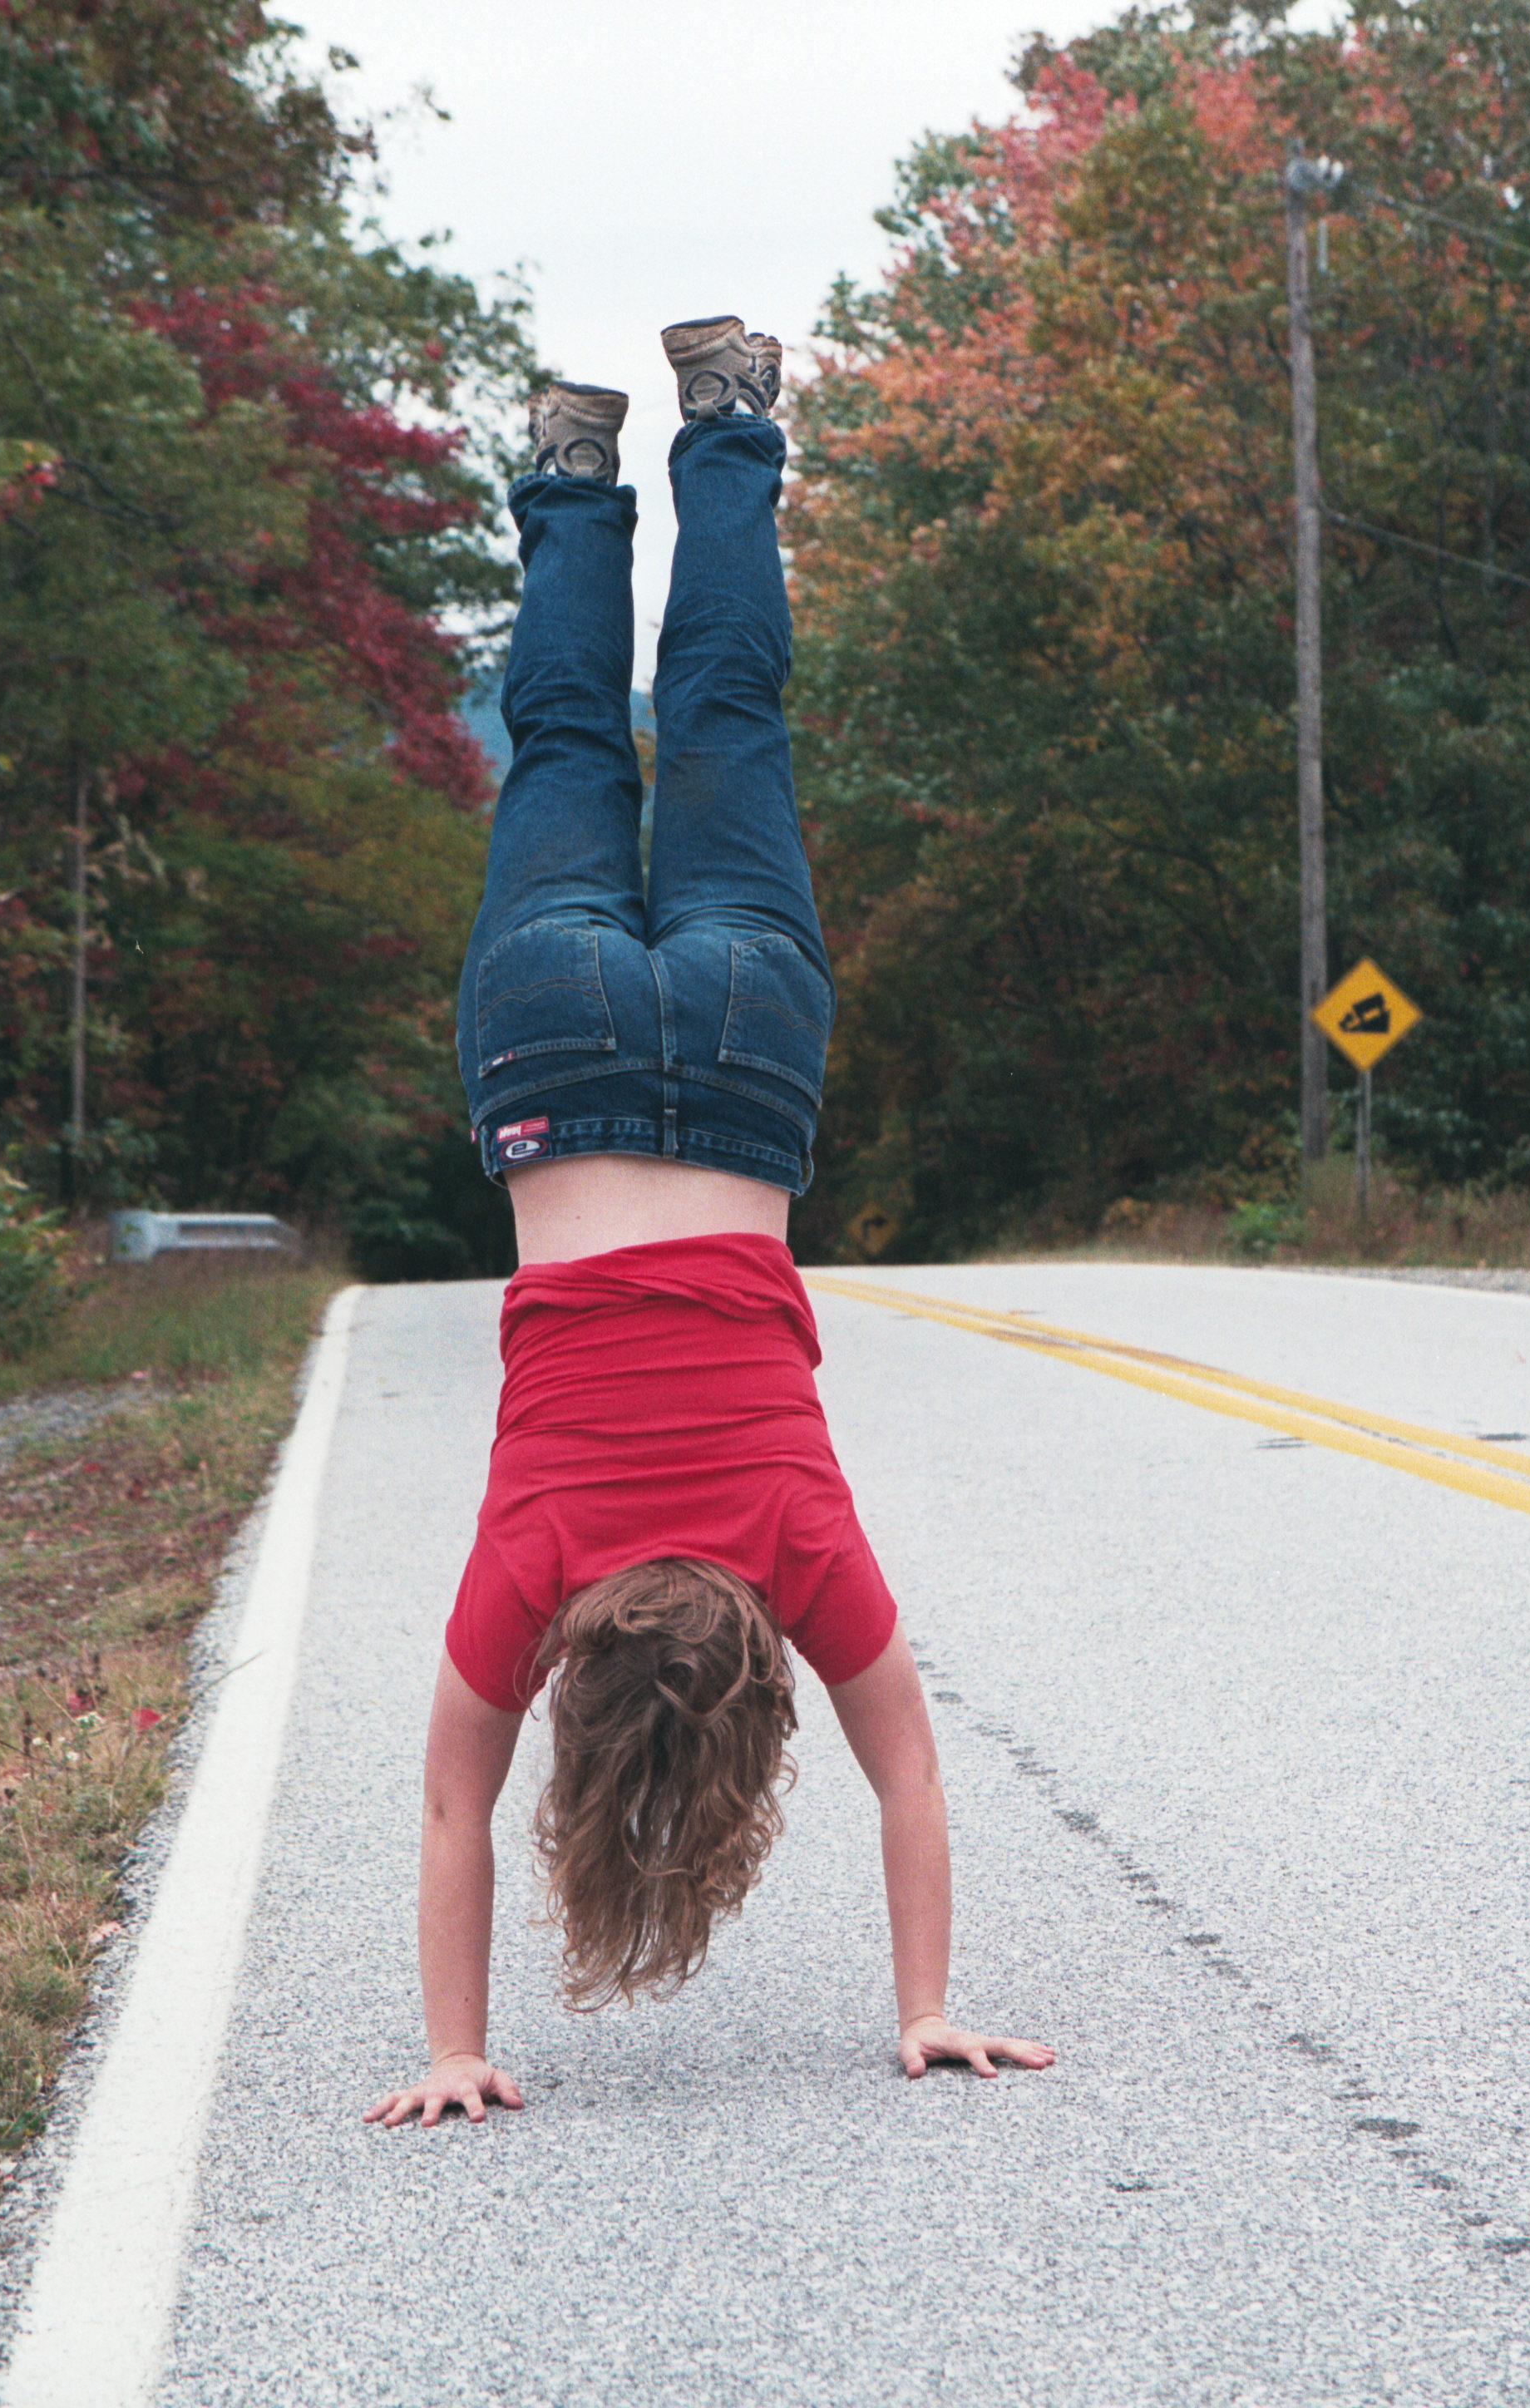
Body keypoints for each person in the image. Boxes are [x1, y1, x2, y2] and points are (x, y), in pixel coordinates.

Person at [364, 317, 1054, 2130]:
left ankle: (727, 423)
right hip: (553, 1039)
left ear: (752, 1688)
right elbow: (453, 1801)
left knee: (732, 718)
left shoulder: (793, 1543)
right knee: (569, 737)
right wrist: (450, 2045)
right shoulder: (537, 1567)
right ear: (587, 1695)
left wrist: (931, 2002)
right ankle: (571, 467)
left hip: (745, 1063)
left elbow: (906, 1773)